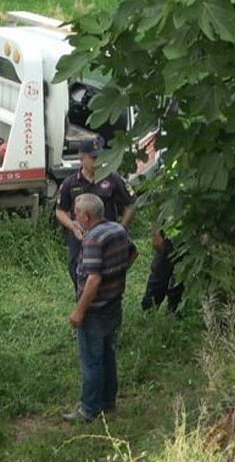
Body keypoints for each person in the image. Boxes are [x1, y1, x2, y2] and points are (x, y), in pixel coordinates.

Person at [64, 193, 137, 422]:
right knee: (108, 354)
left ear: (86, 217)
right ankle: (108, 402)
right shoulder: (117, 229)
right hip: (114, 304)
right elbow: (134, 253)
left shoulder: (93, 239)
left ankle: (89, 409)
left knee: (92, 360)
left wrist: (79, 311)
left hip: (95, 310)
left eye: (76, 214)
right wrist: (116, 275)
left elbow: (93, 280)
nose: (74, 218)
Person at [54, 137, 136, 289]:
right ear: (81, 158)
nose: (97, 161)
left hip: (107, 239)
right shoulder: (70, 183)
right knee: (77, 272)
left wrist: (122, 228)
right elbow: (60, 211)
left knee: (108, 274)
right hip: (81, 238)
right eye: (93, 157)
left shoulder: (112, 178)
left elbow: (131, 203)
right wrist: (72, 226)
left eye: (100, 157)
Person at [141, 221, 184, 313]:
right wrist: (155, 231)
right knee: (161, 269)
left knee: (182, 274)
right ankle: (149, 310)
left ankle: (175, 310)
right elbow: (155, 207)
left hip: (193, 231)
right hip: (170, 230)